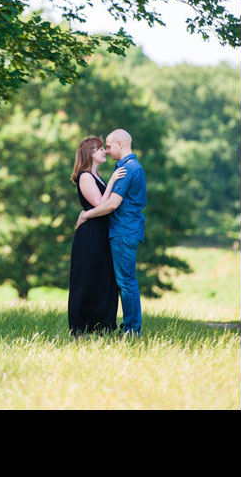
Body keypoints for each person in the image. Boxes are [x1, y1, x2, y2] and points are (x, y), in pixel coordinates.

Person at [76, 129, 146, 337]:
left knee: (126, 282)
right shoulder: (129, 167)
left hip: (124, 231)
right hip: (125, 230)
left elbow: (112, 204)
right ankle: (126, 327)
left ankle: (132, 330)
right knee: (123, 281)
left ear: (120, 144)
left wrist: (86, 215)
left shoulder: (128, 168)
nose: (107, 150)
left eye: (108, 145)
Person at [68, 136, 127, 335]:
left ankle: (102, 326)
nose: (105, 152)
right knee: (87, 279)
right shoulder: (85, 176)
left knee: (104, 279)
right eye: (100, 149)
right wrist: (112, 181)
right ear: (90, 154)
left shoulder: (97, 175)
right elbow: (101, 203)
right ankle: (81, 328)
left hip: (102, 233)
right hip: (90, 236)